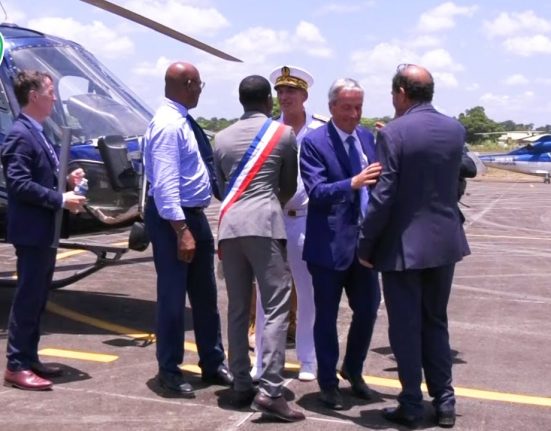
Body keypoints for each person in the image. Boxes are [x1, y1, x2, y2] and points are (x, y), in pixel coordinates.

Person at [357, 64, 470, 429]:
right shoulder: (455, 130)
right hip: (445, 242)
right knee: (435, 321)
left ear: (402, 93)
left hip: (404, 247)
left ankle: (410, 402)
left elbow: (384, 194)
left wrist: (366, 241)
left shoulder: (394, 132)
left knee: (405, 327)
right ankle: (445, 400)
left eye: (393, 94)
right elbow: (455, 186)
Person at [214, 75, 304, 422]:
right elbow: (288, 185)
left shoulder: (220, 138)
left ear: (240, 101)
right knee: (277, 308)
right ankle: (270, 390)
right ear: (269, 101)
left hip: (229, 226)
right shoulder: (282, 134)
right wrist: (267, 206)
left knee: (237, 308)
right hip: (265, 224)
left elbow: (223, 188)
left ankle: (240, 383)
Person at [143, 61, 232, 395]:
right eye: (200, 85)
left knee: (205, 295)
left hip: (193, 215)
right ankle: (169, 369)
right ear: (189, 84)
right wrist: (182, 230)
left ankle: (211, 361)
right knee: (172, 297)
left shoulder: (181, 120)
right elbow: (165, 185)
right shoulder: (169, 125)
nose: (200, 91)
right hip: (174, 219)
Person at [1, 70, 86, 390]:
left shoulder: (37, 132)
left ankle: (29, 356)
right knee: (28, 298)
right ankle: (16, 365)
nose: (55, 96)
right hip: (32, 231)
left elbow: (40, 176)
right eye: (50, 91)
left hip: (43, 231)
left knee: (37, 298)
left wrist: (67, 180)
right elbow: (19, 185)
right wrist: (59, 199)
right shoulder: (20, 135)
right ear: (33, 96)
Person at [300, 78, 382, 410]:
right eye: (347, 107)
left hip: (364, 246)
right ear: (332, 106)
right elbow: (316, 193)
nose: (354, 113)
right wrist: (352, 183)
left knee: (368, 309)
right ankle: (328, 383)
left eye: (358, 107)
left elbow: (380, 184)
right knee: (327, 317)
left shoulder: (367, 138)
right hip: (329, 247)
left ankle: (354, 369)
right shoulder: (314, 142)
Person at [250, 65, 325, 383]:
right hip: (273, 221)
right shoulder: (268, 129)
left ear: (305, 95)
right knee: (268, 295)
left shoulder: (320, 130)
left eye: (291, 91)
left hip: (306, 222)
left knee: (308, 294)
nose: (284, 97)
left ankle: (308, 359)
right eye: (280, 92)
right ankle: (263, 359)